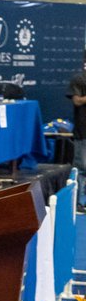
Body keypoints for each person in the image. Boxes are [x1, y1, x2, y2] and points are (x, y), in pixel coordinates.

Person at [68, 66, 86, 212]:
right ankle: (77, 203)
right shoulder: (79, 80)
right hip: (83, 131)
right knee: (81, 167)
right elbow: (77, 101)